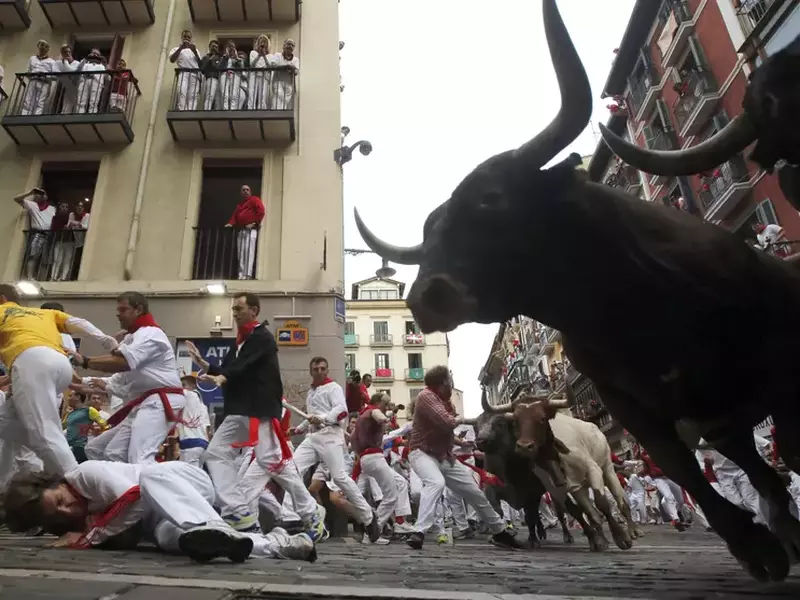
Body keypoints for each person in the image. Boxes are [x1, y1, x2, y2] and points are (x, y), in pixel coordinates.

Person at [189, 293, 324, 538]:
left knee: (273, 463)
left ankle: (310, 514)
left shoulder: (262, 337)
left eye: (239, 308)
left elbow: (244, 366)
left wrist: (225, 377)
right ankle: (238, 511)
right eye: (233, 308)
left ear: (254, 310)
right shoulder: (241, 340)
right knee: (218, 454)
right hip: (241, 410)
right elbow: (230, 367)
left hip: (258, 410)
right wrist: (205, 365)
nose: (234, 312)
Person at [1, 460, 317, 563]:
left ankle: (213, 526)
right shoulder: (74, 521)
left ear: (55, 482)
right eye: (58, 514)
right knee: (172, 540)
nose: (67, 507)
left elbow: (135, 497)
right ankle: (280, 544)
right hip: (164, 518)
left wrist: (91, 535)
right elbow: (130, 529)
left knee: (149, 477)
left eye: (59, 499)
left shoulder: (85, 474)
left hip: (177, 481)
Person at [0, 284, 118, 474]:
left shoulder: (2, 311)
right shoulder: (43, 314)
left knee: (45, 433)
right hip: (60, 365)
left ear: (2, 299)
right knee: (6, 422)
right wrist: (107, 340)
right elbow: (80, 323)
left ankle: (77, 485)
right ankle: (40, 463)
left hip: (31, 362)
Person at [405, 366, 521, 550]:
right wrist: (465, 420)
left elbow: (445, 432)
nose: (451, 384)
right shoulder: (426, 396)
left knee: (474, 492)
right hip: (421, 453)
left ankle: (500, 532)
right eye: (450, 380)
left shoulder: (446, 402)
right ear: (443, 382)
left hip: (445, 457)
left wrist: (461, 443)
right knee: (436, 483)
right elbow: (447, 422)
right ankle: (418, 532)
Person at [73, 292, 186, 465]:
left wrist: (86, 361)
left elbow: (123, 362)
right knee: (101, 450)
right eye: (117, 310)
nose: (118, 314)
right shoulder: (132, 338)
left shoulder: (151, 333)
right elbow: (116, 377)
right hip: (144, 404)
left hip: (161, 401)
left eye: (123, 309)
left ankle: (158, 490)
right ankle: (122, 489)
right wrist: (78, 381)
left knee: (140, 457)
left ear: (138, 309)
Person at [285, 356, 381, 541]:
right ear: (311, 371)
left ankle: (368, 517)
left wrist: (324, 418)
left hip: (331, 435)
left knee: (340, 477)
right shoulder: (311, 392)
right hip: (313, 437)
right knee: (291, 468)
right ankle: (291, 516)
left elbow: (341, 410)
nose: (319, 371)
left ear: (327, 370)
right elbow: (311, 416)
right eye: (316, 369)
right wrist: (298, 429)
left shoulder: (334, 388)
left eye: (322, 368)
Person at [349, 393, 400, 542]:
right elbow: (378, 414)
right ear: (377, 402)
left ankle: (372, 530)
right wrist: (384, 419)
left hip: (365, 459)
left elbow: (352, 439)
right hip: (376, 458)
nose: (388, 406)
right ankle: (373, 531)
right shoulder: (373, 411)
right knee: (391, 496)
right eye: (386, 403)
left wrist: (360, 453)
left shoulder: (361, 417)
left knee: (390, 491)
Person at [13, 187, 55, 280]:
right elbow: (16, 199)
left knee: (45, 259)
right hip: (37, 234)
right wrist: (30, 193)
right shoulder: (32, 205)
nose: (40, 195)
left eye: (42, 193)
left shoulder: (52, 209)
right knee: (33, 256)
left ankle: (42, 278)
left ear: (46, 196)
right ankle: (30, 277)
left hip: (49, 236)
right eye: (38, 194)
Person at [225, 184, 264, 280]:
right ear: (241, 193)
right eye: (243, 190)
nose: (246, 191)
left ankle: (247, 274)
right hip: (241, 230)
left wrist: (254, 223)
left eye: (247, 190)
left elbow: (261, 211)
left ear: (250, 192)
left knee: (248, 252)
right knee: (241, 252)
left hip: (251, 230)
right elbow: (235, 216)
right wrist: (230, 223)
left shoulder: (254, 200)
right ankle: (241, 274)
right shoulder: (240, 205)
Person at [176, 373, 211, 468]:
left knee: (189, 478)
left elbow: (173, 389)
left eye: (184, 385)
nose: (181, 387)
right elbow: (208, 429)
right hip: (202, 445)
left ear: (192, 386)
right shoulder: (203, 406)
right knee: (195, 475)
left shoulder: (190, 395)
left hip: (191, 443)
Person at [63, 391, 108, 463]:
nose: (68, 399)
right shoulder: (70, 413)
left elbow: (105, 426)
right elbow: (62, 427)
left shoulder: (89, 410)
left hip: (80, 447)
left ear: (78, 397)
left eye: (70, 396)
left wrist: (99, 430)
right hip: (68, 447)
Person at [169, 30, 201, 111]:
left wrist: (195, 52)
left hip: (195, 74)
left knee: (193, 95)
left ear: (191, 38)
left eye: (188, 37)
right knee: (182, 91)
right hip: (183, 73)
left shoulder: (195, 49)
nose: (187, 38)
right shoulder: (176, 49)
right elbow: (172, 60)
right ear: (182, 37)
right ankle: (182, 109)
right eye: (185, 37)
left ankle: (191, 110)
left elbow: (201, 63)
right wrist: (181, 48)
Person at [22, 40, 55, 116]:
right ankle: (25, 116)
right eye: (42, 45)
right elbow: (27, 71)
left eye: (46, 46)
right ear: (38, 46)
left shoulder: (51, 62)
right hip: (33, 80)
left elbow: (55, 76)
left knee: (40, 101)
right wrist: (31, 74)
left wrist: (45, 75)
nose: (43, 47)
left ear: (48, 49)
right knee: (28, 100)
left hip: (44, 82)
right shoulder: (32, 58)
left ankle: (36, 117)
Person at [268, 39, 298, 110]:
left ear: (293, 48)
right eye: (288, 44)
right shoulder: (277, 55)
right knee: (278, 98)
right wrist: (286, 67)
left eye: (292, 45)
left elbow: (296, 71)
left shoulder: (295, 60)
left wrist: (292, 69)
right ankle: (276, 112)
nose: (290, 46)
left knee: (285, 101)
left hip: (289, 84)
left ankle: (282, 111)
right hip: (278, 82)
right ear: (284, 46)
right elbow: (273, 65)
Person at [248, 35, 271, 110]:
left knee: (263, 94)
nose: (263, 45)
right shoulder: (253, 53)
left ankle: (262, 108)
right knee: (252, 93)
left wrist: (264, 56)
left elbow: (269, 66)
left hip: (264, 76)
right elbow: (252, 65)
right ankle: (251, 108)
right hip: (254, 75)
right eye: (261, 42)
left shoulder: (270, 56)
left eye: (265, 43)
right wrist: (259, 55)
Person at [200, 40, 223, 110]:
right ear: (209, 47)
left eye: (216, 47)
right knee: (210, 96)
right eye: (213, 46)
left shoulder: (220, 58)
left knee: (218, 99)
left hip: (220, 79)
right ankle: (207, 110)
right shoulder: (206, 57)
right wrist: (210, 60)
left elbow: (220, 68)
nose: (214, 48)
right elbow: (202, 69)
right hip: (211, 78)